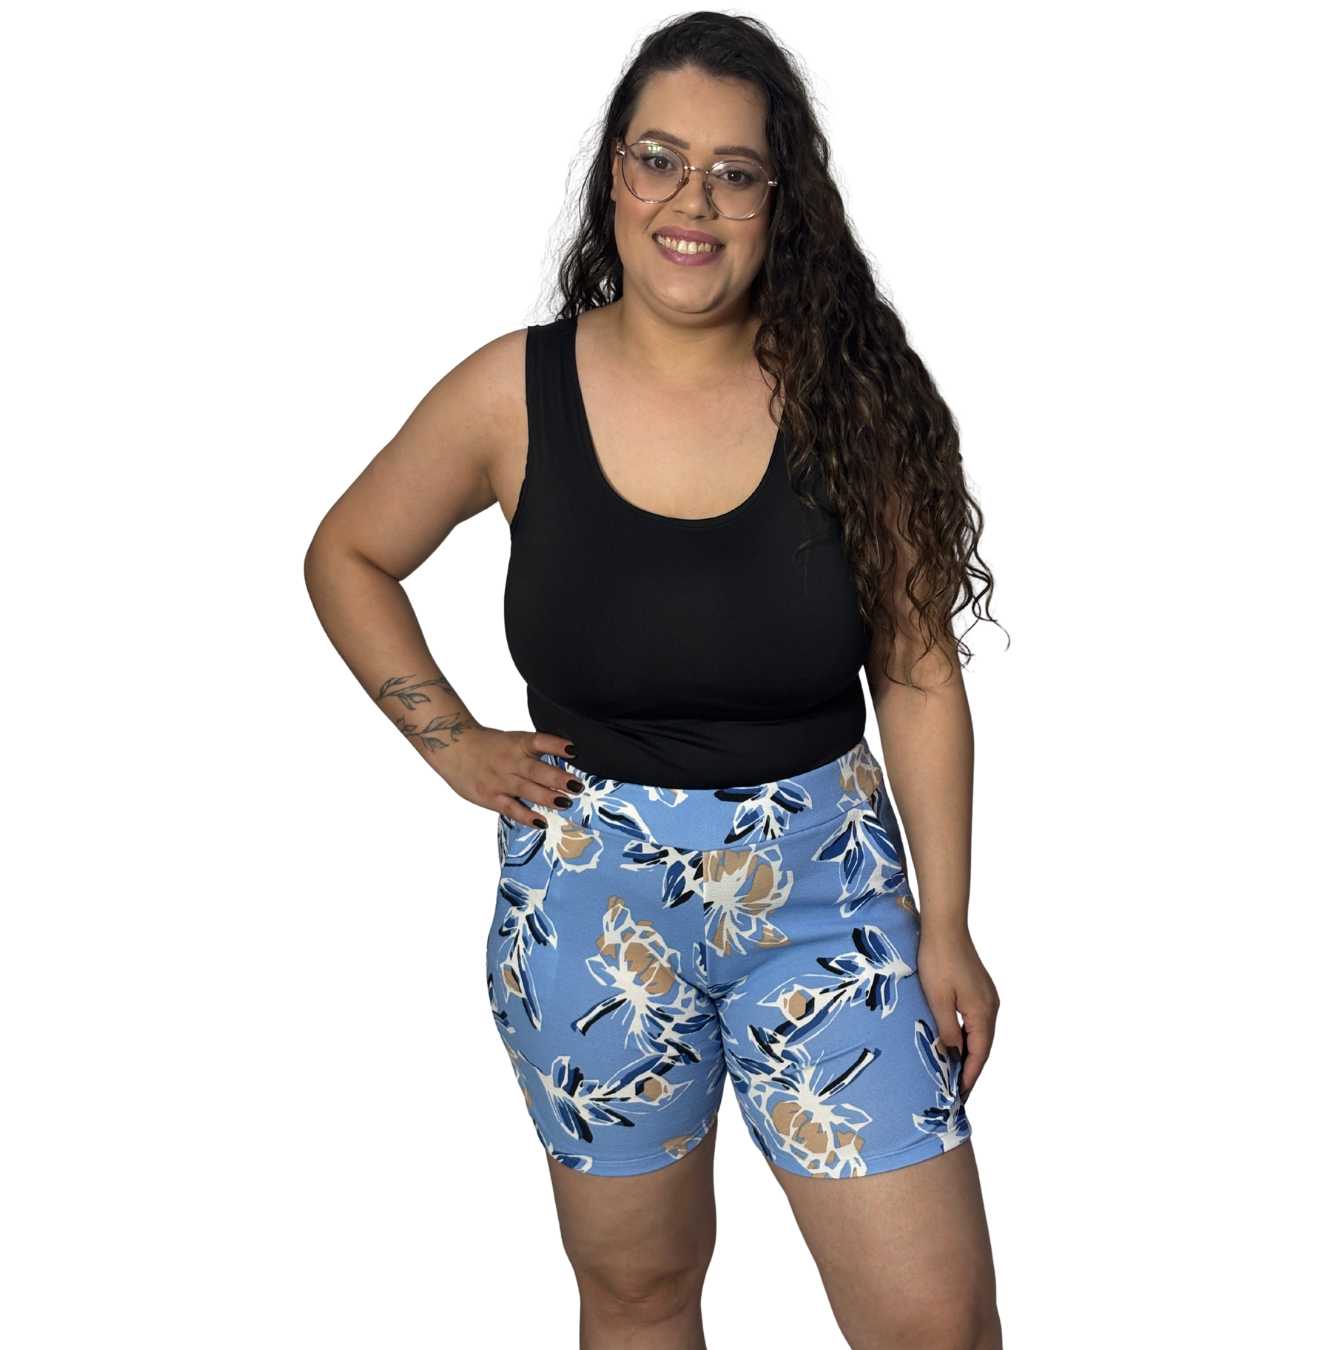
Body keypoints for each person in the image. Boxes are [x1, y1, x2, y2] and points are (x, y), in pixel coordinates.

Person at [305, 11, 1003, 1348]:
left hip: (827, 901)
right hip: (588, 909)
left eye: (735, 172)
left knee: (935, 1320)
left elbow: (918, 673)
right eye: (659, 159)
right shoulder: (512, 392)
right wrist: (452, 743)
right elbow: (349, 553)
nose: (694, 201)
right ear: (613, 176)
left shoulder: (855, 397)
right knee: (638, 1292)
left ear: (781, 202)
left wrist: (949, 922)